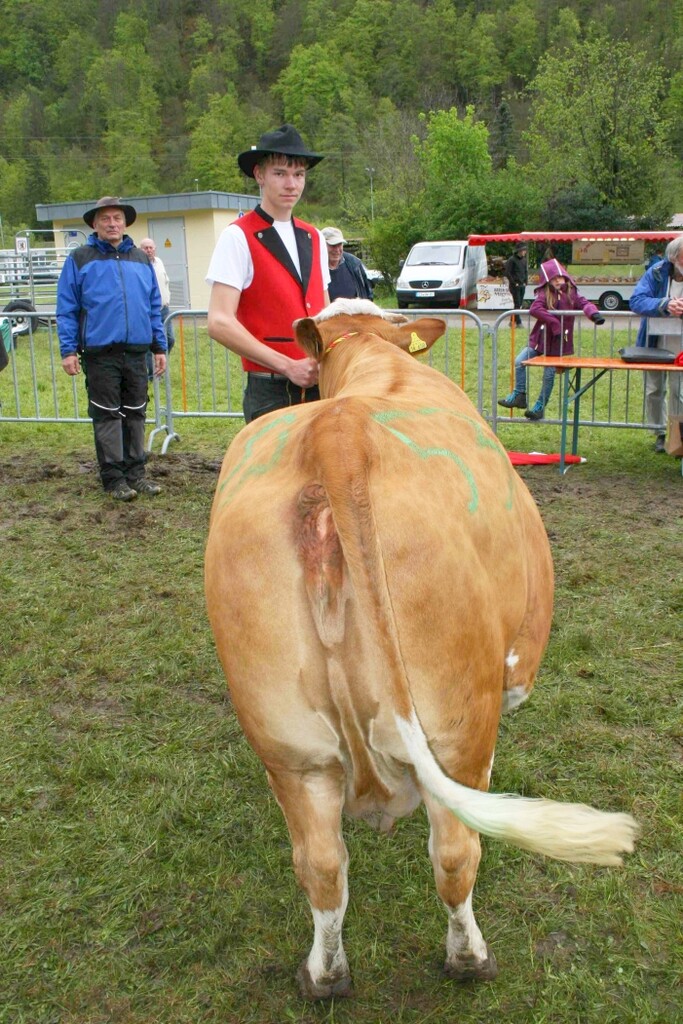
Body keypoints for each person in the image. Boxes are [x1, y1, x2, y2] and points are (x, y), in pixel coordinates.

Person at [206, 124, 330, 423]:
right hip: (270, 391)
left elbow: (325, 314)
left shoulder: (314, 236)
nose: (291, 184)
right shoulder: (238, 236)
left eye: (299, 174)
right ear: (259, 175)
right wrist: (287, 365)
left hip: (321, 387)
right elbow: (219, 321)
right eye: (280, 173)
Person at [57, 196, 167, 501]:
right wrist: (68, 350)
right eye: (105, 218)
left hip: (137, 352)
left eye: (117, 218)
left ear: (125, 223)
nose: (112, 223)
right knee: (107, 416)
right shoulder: (80, 259)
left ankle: (137, 473)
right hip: (100, 354)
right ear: (95, 224)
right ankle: (114, 477)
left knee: (135, 413)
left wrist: (159, 346)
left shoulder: (141, 260)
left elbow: (153, 306)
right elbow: (67, 308)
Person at [498, 257, 604, 420]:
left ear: (565, 277)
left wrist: (594, 314)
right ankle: (519, 395)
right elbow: (535, 308)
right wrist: (554, 323)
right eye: (554, 278)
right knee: (520, 361)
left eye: (560, 277)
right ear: (548, 280)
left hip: (558, 342)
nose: (558, 281)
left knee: (549, 374)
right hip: (540, 339)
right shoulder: (544, 294)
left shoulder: (572, 294)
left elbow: (585, 304)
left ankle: (540, 406)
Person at [630, 236, 683, 452]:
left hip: (681, 345)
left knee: (679, 391)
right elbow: (636, 300)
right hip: (655, 342)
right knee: (654, 390)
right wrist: (665, 304)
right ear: (674, 257)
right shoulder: (657, 272)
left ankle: (678, 435)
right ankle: (659, 433)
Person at [140, 237, 175, 379]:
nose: (149, 250)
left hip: (164, 309)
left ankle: (160, 364)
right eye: (145, 248)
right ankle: (151, 375)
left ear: (155, 248)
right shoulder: (140, 265)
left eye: (151, 247)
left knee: (170, 339)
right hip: (150, 311)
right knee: (151, 344)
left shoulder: (159, 262)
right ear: (140, 250)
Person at [322, 226, 374, 301]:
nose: (337, 250)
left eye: (339, 244)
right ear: (322, 246)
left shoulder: (354, 264)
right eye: (333, 245)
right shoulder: (314, 268)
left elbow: (367, 293)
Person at [504, 243, 528, 327]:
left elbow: (525, 271)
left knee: (519, 304)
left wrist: (525, 281)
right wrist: (514, 282)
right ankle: (518, 322)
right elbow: (507, 273)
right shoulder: (512, 260)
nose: (524, 252)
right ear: (519, 251)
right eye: (523, 250)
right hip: (515, 285)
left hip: (522, 284)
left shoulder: (524, 260)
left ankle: (512, 320)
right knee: (517, 303)